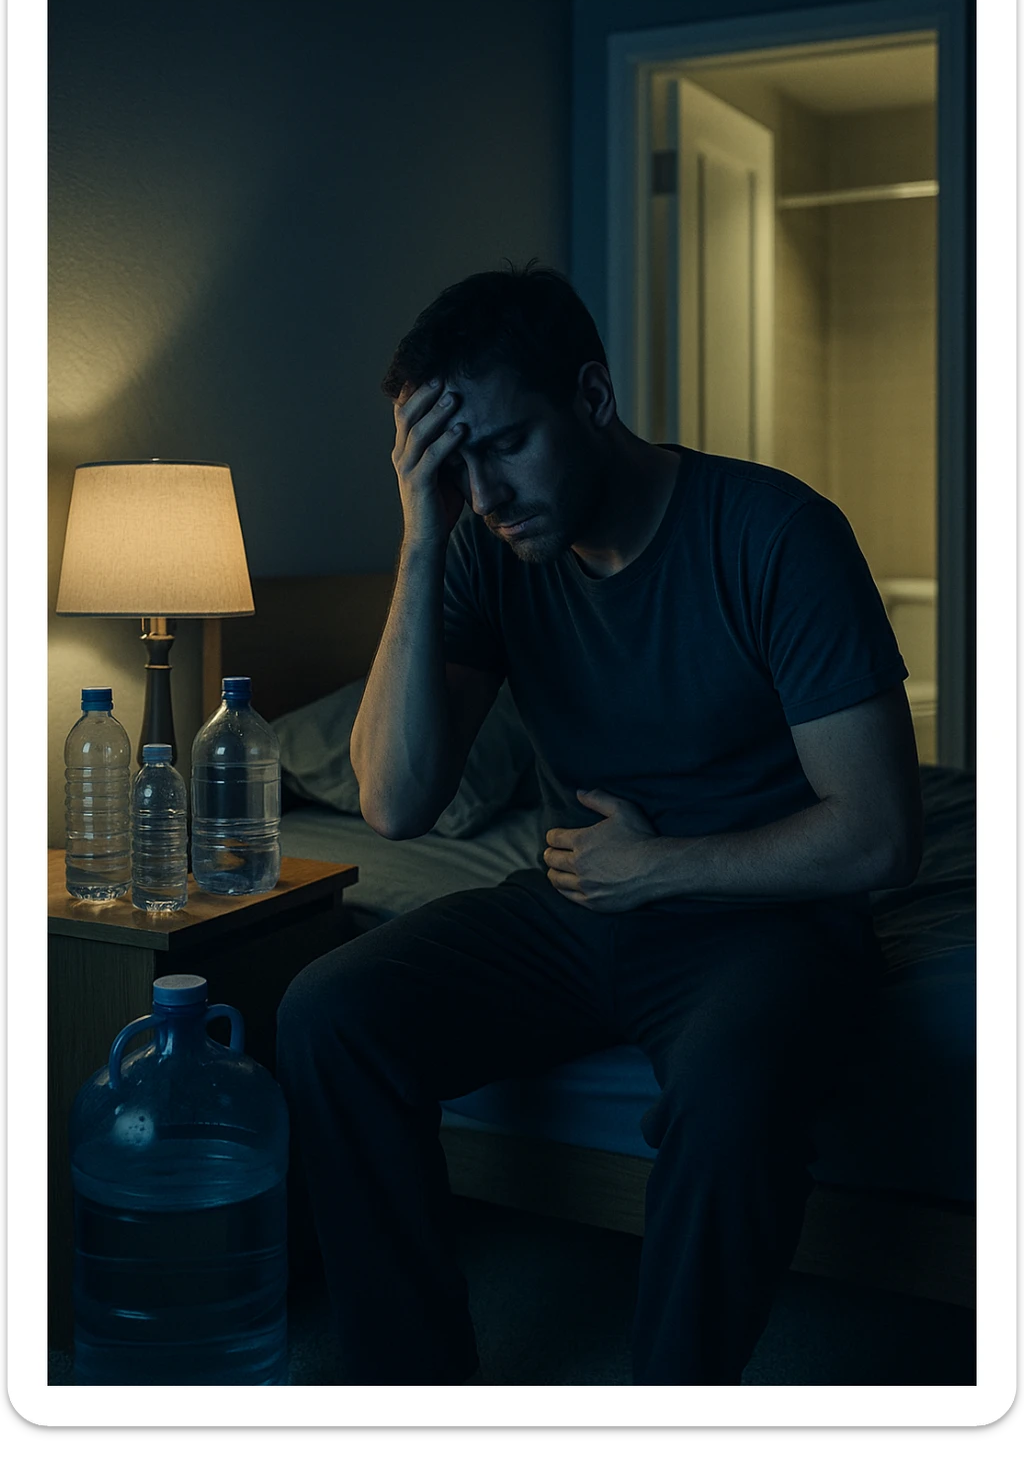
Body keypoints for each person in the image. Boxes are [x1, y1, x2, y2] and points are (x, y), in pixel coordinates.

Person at [275, 260, 924, 1386]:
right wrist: (421, 541)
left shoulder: (773, 533)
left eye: (503, 444)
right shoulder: (480, 545)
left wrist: (662, 867)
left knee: (731, 1089)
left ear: (592, 395)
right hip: (581, 904)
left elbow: (876, 835)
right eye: (450, 462)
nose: (485, 491)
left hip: (763, 922)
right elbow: (394, 800)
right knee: (329, 1013)